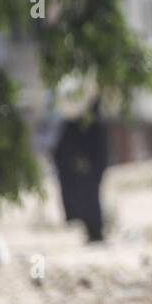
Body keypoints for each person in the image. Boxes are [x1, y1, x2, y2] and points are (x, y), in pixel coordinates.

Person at [51, 97, 109, 243]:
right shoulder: (74, 124)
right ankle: (93, 231)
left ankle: (95, 232)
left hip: (91, 162)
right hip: (84, 163)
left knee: (90, 195)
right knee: (87, 195)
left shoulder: (91, 126)